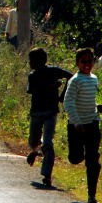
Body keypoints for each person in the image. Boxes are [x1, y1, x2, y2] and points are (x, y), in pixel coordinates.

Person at [25, 47, 73, 190]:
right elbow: (31, 90)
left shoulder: (53, 71)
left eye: (32, 60)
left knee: (48, 142)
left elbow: (71, 77)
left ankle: (47, 175)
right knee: (33, 141)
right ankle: (35, 151)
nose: (30, 63)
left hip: (50, 112)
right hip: (36, 113)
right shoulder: (32, 76)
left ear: (41, 61)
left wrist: (63, 94)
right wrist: (52, 85)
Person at [63, 47, 102, 203]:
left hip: (92, 124)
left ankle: (91, 196)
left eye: (90, 61)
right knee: (75, 158)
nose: (87, 64)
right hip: (77, 126)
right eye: (83, 61)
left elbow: (89, 100)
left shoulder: (94, 79)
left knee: (93, 161)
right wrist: (77, 122)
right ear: (78, 63)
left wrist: (97, 107)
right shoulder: (75, 80)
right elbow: (68, 102)